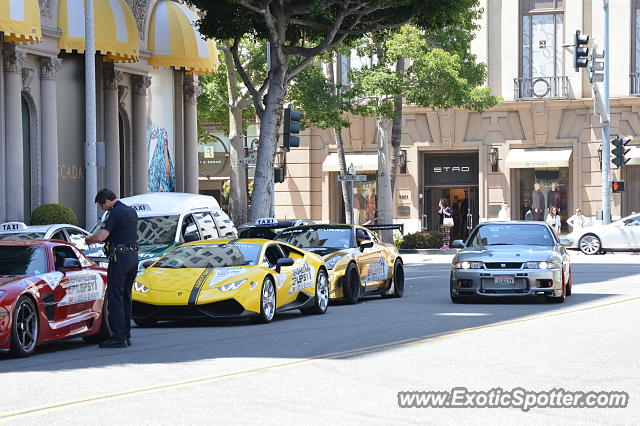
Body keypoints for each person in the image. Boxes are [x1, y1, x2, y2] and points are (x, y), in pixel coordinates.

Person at [85, 188, 139, 348]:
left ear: (107, 201)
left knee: (115, 298)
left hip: (120, 259)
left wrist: (89, 240)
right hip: (133, 258)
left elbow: (101, 236)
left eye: (102, 205)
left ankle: (118, 337)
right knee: (126, 297)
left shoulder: (114, 213)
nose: (102, 208)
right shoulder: (131, 211)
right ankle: (126, 334)